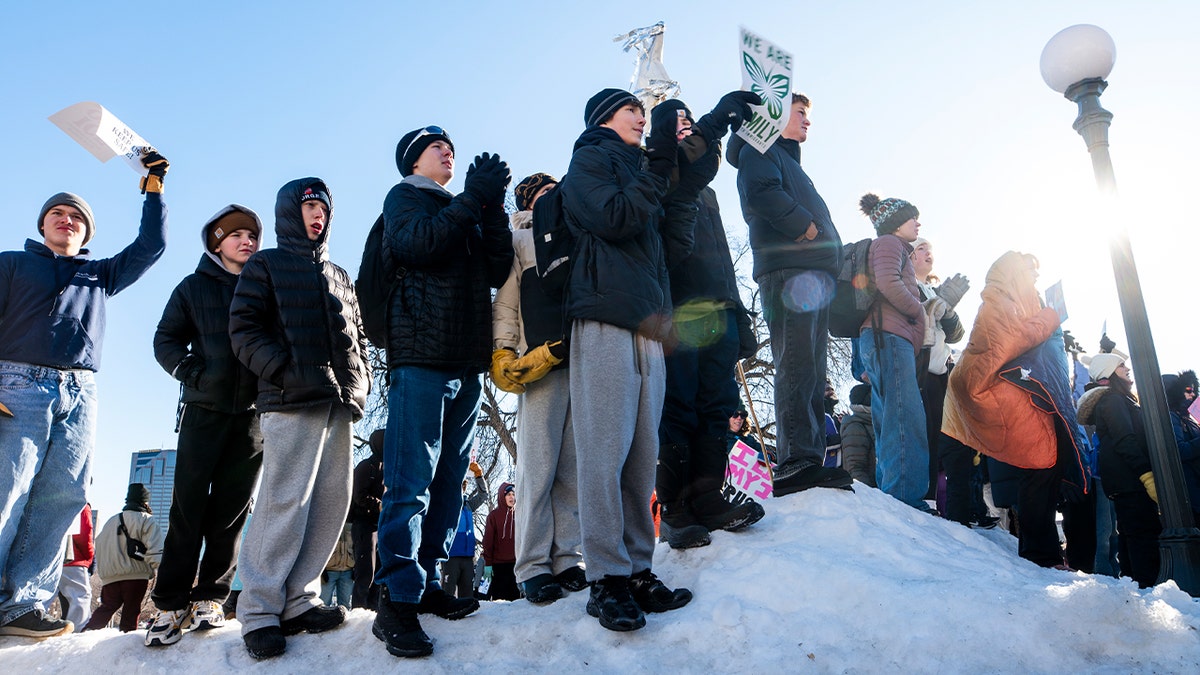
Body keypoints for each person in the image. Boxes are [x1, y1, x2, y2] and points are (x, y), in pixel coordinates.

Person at [0, 153, 168, 638]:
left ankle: (22, 606)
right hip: (17, 383)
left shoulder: (98, 276)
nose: (67, 220)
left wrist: (153, 188)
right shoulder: (12, 264)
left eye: (77, 218)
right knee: (8, 489)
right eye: (59, 214)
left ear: (86, 235)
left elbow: (151, 246)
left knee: (64, 495)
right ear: (43, 223)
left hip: (80, 391)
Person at [372, 126, 512, 659]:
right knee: (410, 480)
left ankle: (426, 582)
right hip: (420, 358)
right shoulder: (403, 198)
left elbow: (497, 267)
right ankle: (396, 599)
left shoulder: (465, 206)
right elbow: (418, 245)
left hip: (466, 362)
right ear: (414, 160)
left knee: (450, 482)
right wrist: (472, 199)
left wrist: (491, 205)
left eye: (450, 146)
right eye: (437, 147)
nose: (447, 151)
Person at [562, 88, 693, 632]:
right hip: (603, 316)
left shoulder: (645, 171)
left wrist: (675, 167)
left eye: (644, 113)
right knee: (604, 452)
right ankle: (606, 578)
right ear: (603, 119)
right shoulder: (588, 159)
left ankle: (640, 568)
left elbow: (669, 248)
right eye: (631, 111)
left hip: (648, 326)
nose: (642, 118)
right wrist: (657, 159)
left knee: (643, 456)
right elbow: (614, 216)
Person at [229, 178, 370, 659]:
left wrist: (362, 384)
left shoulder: (339, 274)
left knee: (333, 501)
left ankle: (299, 600)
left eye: (324, 209)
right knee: (284, 501)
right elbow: (243, 330)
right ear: (291, 212)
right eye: (309, 206)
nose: (318, 215)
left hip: (339, 404)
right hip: (290, 401)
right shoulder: (266, 263)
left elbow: (358, 341)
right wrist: (285, 372)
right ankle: (261, 611)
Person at [145, 204, 265, 647]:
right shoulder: (193, 287)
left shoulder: (265, 286)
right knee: (188, 507)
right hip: (203, 412)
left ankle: (210, 598)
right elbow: (165, 339)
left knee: (232, 511)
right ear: (217, 241)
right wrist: (189, 371)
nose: (247, 241)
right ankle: (169, 602)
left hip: (253, 418)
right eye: (237, 234)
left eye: (253, 235)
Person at [653, 94, 766, 551]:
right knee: (678, 406)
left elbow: (721, 258)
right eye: (677, 120)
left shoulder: (710, 191)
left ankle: (709, 497)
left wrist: (739, 315)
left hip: (719, 310)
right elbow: (685, 161)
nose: (686, 126)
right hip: (677, 308)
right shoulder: (657, 168)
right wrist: (714, 121)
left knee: (716, 407)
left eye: (690, 119)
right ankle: (676, 510)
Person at [727, 92, 853, 496]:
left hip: (810, 273)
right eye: (800, 113)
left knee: (814, 369)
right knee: (796, 361)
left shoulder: (787, 160)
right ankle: (796, 459)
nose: (807, 122)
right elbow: (761, 195)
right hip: (789, 271)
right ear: (774, 117)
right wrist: (807, 229)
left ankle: (809, 457)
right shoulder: (758, 150)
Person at [943, 251, 1088, 569]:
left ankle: (1047, 552)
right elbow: (1013, 339)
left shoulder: (1022, 303)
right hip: (1009, 396)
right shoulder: (998, 300)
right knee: (1039, 470)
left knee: (1049, 469)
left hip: (1033, 398)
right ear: (1013, 272)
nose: (1035, 276)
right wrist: (1051, 317)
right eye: (1029, 271)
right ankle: (1040, 555)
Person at [490, 172, 585, 603]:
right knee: (538, 464)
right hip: (539, 359)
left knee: (572, 466)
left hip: (581, 356)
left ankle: (567, 556)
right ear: (528, 203)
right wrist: (503, 350)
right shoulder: (521, 240)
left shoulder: (580, 231)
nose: (552, 198)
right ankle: (532, 564)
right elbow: (507, 302)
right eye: (542, 194)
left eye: (555, 192)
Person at [857, 193, 929, 510]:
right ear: (895, 223)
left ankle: (894, 491)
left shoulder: (893, 245)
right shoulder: (889, 243)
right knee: (904, 415)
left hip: (885, 338)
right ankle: (903, 496)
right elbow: (887, 281)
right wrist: (919, 312)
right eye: (912, 217)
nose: (918, 222)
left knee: (890, 414)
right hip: (888, 337)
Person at [1076, 354, 1160, 587]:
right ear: (1108, 373)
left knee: (1131, 534)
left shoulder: (1118, 399)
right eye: (1120, 365)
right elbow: (1125, 439)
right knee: (1142, 533)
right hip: (1130, 480)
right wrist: (1146, 475)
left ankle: (1136, 583)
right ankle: (1147, 584)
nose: (1127, 368)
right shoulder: (1113, 401)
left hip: (1127, 480)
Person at [84, 484, 164, 632]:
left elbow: (100, 547)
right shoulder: (147, 520)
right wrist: (164, 571)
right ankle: (126, 642)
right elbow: (155, 551)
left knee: (106, 608)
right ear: (145, 502)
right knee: (131, 612)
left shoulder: (111, 521)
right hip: (136, 575)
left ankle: (86, 633)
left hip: (110, 577)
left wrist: (104, 573)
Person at [350, 429, 385, 610]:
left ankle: (373, 612)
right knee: (366, 573)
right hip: (364, 526)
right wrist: (379, 505)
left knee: (378, 573)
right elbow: (358, 496)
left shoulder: (386, 468)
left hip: (379, 527)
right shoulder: (365, 467)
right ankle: (358, 613)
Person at [442, 464, 488, 599]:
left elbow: (483, 496)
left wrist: (479, 475)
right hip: (451, 556)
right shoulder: (446, 504)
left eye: (463, 486)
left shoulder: (468, 505)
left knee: (467, 597)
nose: (460, 489)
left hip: (468, 557)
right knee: (447, 594)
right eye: (457, 485)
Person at [1164, 370, 1200, 523]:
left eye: (1194, 390)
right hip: (1190, 488)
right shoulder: (1172, 416)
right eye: (1188, 390)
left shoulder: (1187, 417)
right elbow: (1180, 450)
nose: (1192, 394)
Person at [56, 504, 94, 632]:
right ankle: (77, 635)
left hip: (48, 557)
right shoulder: (80, 502)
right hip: (73, 558)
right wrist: (89, 558)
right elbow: (85, 533)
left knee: (44, 595)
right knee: (80, 597)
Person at [481, 483, 519, 601]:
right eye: (508, 495)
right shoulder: (493, 516)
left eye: (513, 494)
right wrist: (488, 564)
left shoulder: (520, 515)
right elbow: (488, 541)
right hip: (498, 567)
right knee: (500, 603)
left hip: (516, 566)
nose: (511, 497)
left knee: (516, 603)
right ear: (502, 497)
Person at [840, 384, 876, 487]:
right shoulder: (855, 427)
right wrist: (871, 497)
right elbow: (855, 468)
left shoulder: (873, 423)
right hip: (874, 495)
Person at [320, 522, 354, 608]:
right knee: (323, 605)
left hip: (348, 571)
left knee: (345, 606)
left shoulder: (352, 523)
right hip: (328, 571)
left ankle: (344, 622)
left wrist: (356, 567)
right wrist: (321, 570)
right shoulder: (328, 523)